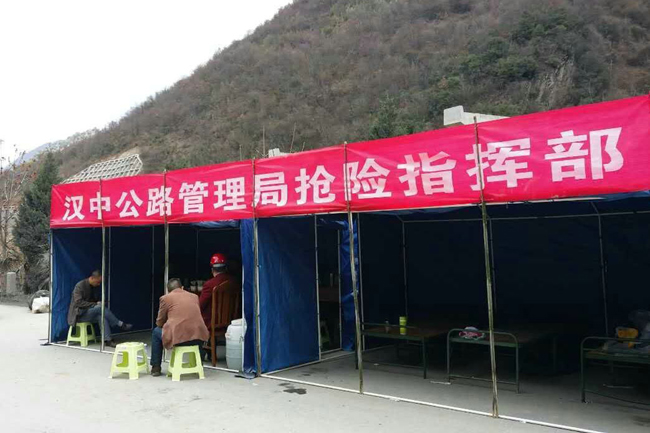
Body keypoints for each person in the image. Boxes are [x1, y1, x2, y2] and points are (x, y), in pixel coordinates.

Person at [151, 278, 209, 377]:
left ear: (168, 290)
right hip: (199, 338)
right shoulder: (194, 296)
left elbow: (159, 322)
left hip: (179, 340)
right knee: (194, 328)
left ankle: (156, 367)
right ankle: (199, 362)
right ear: (182, 288)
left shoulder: (165, 298)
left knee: (156, 332)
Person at [67, 270, 132, 348]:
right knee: (99, 307)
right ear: (92, 278)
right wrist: (95, 304)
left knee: (102, 317)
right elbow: (78, 302)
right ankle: (120, 324)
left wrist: (98, 302)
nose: (99, 284)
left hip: (88, 313)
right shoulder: (80, 286)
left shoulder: (94, 287)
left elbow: (93, 301)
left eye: (100, 282)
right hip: (79, 315)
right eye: (98, 282)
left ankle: (107, 340)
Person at [199, 253, 241, 329]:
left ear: (212, 270)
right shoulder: (234, 281)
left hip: (212, 323)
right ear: (225, 268)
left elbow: (200, 305)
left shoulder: (209, 284)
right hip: (231, 321)